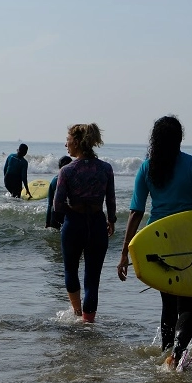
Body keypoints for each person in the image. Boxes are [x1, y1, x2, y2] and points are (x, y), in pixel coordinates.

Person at [117, 115, 192, 370]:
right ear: (180, 138)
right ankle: (176, 356)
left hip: (158, 243)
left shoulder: (147, 168)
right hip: (191, 242)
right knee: (189, 303)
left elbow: (136, 212)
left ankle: (167, 354)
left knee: (168, 304)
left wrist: (125, 253)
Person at [52, 124, 116, 323]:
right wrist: (111, 221)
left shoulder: (67, 171)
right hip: (97, 223)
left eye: (68, 140)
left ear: (77, 142)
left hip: (74, 223)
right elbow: (111, 201)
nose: (66, 144)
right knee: (93, 278)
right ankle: (88, 321)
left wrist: (70, 212)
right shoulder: (105, 168)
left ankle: (77, 312)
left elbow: (57, 205)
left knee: (71, 270)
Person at [46, 155, 73, 229]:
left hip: (55, 213)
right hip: (68, 214)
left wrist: (47, 222)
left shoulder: (54, 180)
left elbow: (50, 204)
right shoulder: (73, 180)